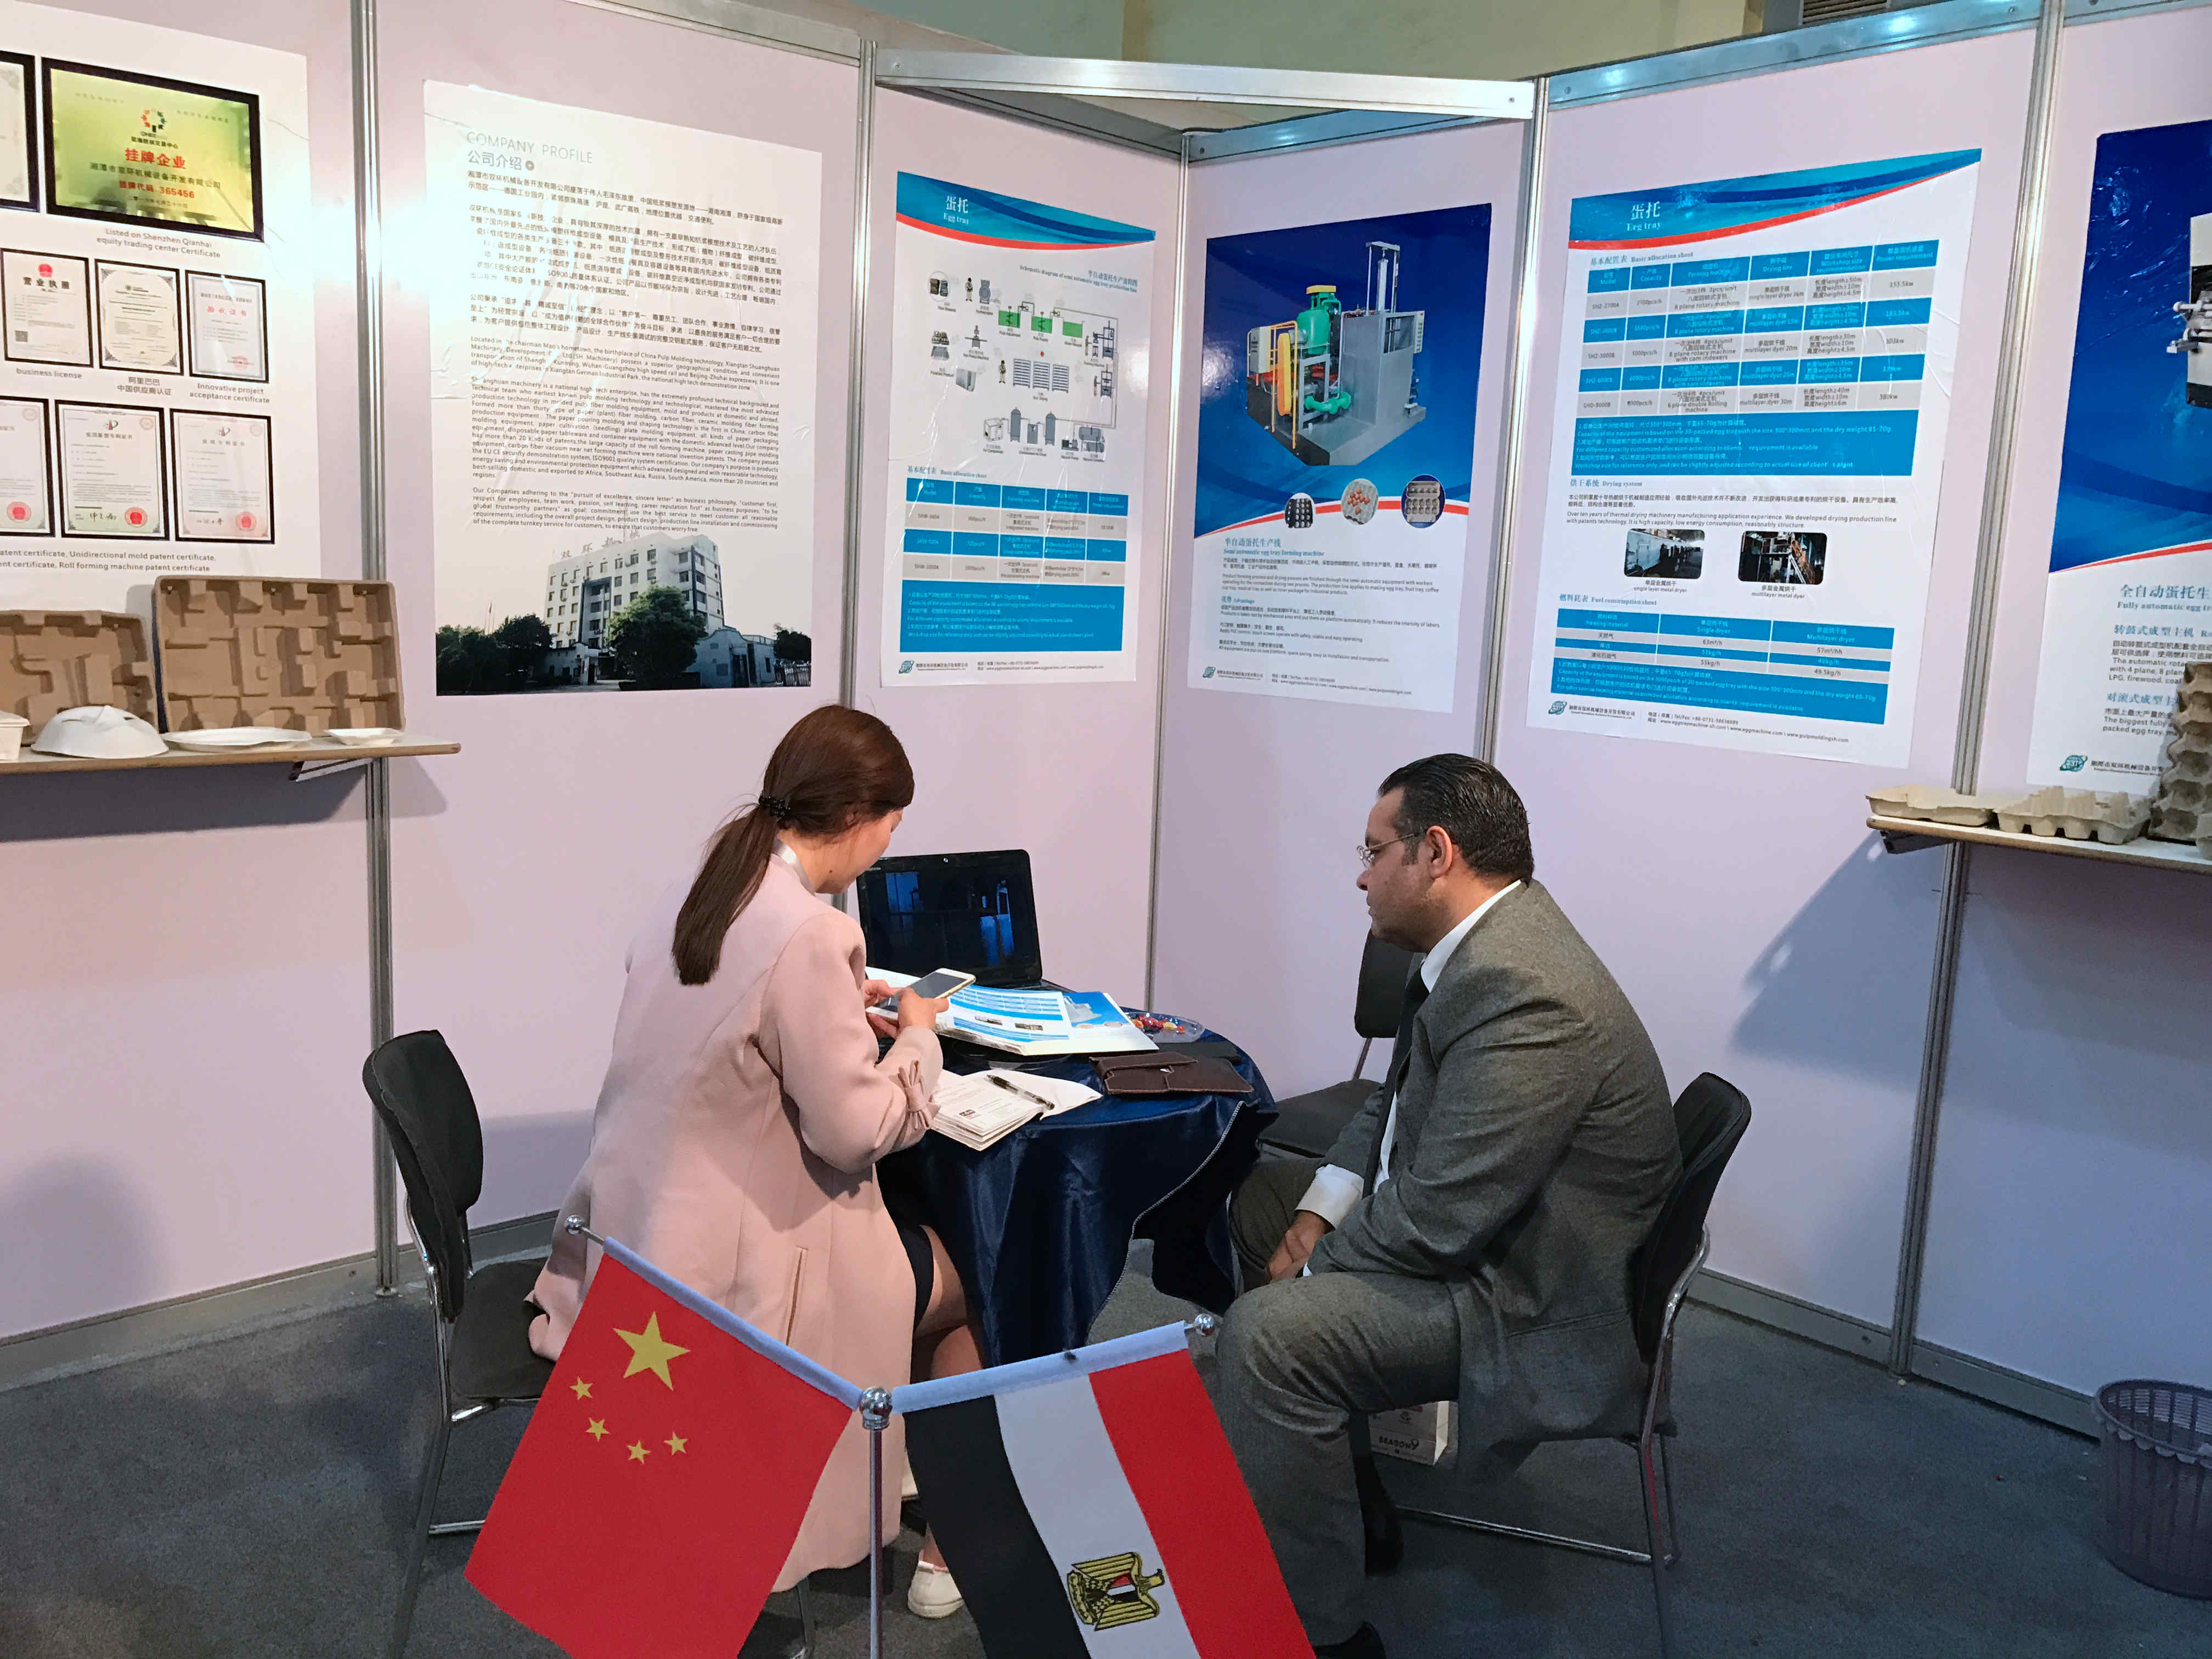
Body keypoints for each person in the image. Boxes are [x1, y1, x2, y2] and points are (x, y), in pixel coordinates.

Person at [1218, 754, 1681, 1658]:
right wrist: (1315, 1216)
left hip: (1526, 1295)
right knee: (1265, 1203)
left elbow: (1439, 1220)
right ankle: (1328, 1477)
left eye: (1373, 852)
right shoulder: (1477, 948)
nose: (1361, 876)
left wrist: (1307, 1276)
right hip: (1490, 1239)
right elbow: (1392, 1105)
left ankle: (1320, 1636)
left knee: (1270, 1339)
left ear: (1435, 853)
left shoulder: (1528, 990)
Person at [527, 705, 983, 1618]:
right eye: (891, 825)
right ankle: (949, 1544)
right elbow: (854, 1132)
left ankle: (894, 1469)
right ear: (854, 816)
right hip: (739, 1271)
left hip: (632, 1233)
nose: (886, 848)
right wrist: (917, 1039)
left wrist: (836, 1013)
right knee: (988, 1278)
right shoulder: (813, 933)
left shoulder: (700, 888)